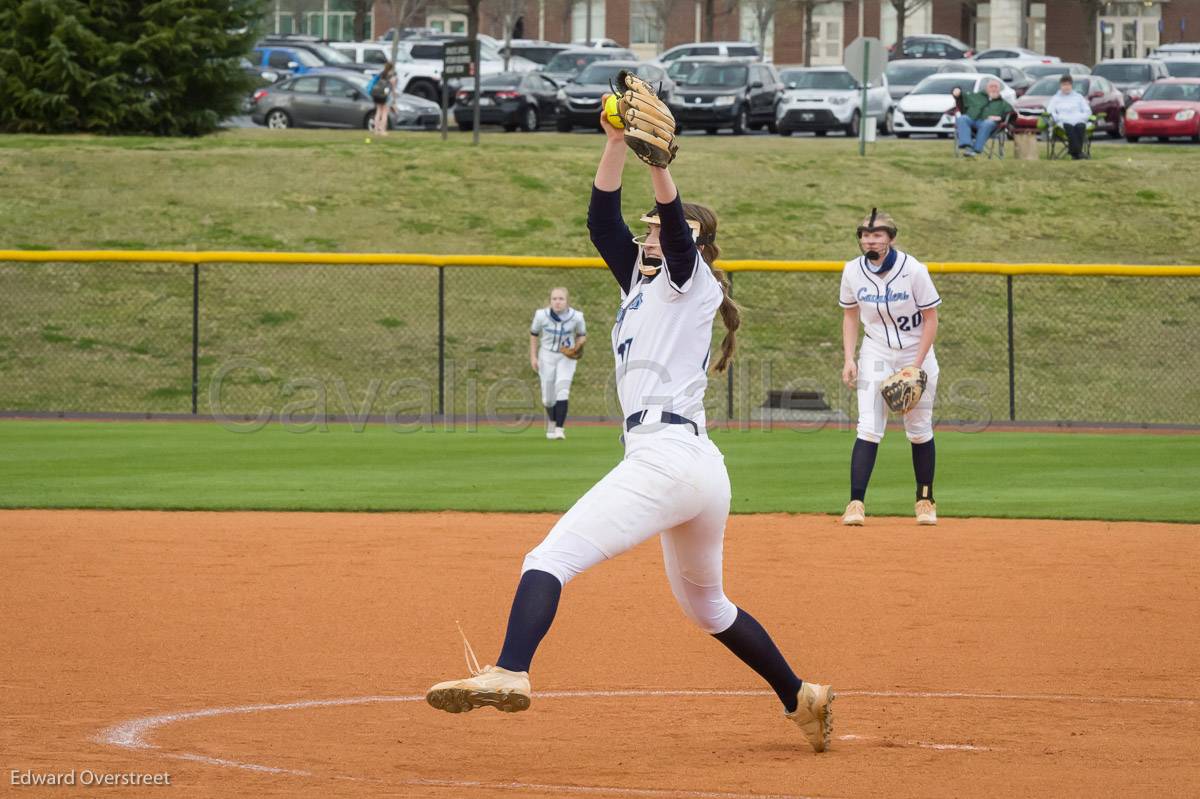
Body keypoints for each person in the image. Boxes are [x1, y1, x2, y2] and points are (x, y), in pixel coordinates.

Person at [426, 98, 835, 754]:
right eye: (645, 229)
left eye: (656, 229)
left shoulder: (690, 280)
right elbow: (599, 223)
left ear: (698, 247)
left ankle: (509, 667)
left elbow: (675, 233)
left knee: (548, 558)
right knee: (708, 607)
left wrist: (662, 170)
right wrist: (615, 141)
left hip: (667, 458)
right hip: (696, 466)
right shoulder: (640, 288)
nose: (647, 234)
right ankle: (802, 697)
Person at [839, 210, 941, 527]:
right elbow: (850, 315)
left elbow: (931, 320)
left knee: (919, 429)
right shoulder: (852, 271)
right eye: (866, 234)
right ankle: (855, 503)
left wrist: (916, 364)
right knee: (868, 426)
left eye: (878, 234)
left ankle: (925, 500)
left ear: (891, 238)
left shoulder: (914, 270)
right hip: (876, 351)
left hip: (915, 350)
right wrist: (849, 358)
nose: (870, 239)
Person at [530, 287, 587, 440]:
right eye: (554, 299)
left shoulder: (577, 317)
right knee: (548, 398)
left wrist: (578, 345)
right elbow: (534, 335)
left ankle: (560, 429)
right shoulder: (541, 315)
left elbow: (582, 335)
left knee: (562, 389)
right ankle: (552, 422)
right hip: (546, 355)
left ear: (567, 301)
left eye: (561, 299)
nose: (557, 302)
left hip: (565, 357)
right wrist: (533, 357)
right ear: (550, 301)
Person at [951, 79, 1012, 157]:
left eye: (996, 87)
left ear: (999, 89)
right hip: (972, 120)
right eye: (991, 86)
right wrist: (956, 91)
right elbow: (960, 96)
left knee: (987, 123)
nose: (993, 88)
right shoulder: (975, 96)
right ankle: (967, 145)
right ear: (986, 88)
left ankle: (976, 149)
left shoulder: (1003, 103)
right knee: (962, 118)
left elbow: (1011, 114)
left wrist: (1000, 118)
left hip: (989, 124)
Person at [1045, 74, 1091, 160]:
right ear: (1060, 86)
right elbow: (1050, 111)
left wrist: (1082, 117)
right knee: (1069, 127)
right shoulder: (1056, 98)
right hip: (1063, 121)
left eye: (1068, 85)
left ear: (1071, 85)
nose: (1066, 87)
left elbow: (1087, 110)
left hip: (1078, 119)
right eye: (1064, 85)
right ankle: (1078, 153)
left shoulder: (1078, 97)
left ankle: (1074, 152)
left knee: (1081, 126)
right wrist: (1057, 118)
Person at [367, 62, 396, 136]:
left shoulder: (381, 75)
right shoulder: (391, 77)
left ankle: (376, 130)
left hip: (377, 95)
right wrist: (394, 100)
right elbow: (393, 90)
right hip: (386, 97)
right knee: (384, 114)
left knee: (378, 112)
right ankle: (382, 131)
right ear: (391, 68)